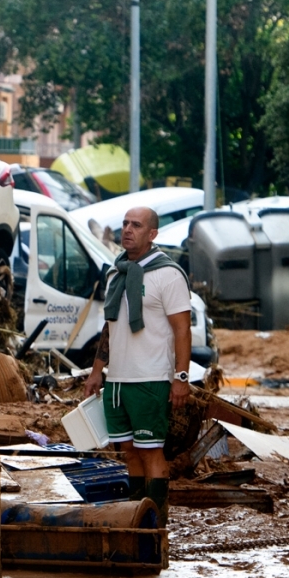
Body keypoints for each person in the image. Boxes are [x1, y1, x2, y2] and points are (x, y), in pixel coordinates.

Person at [83, 207, 192, 526]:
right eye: (125, 224)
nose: (127, 230)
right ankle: (136, 520)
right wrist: (96, 371)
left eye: (136, 225)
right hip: (117, 381)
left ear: (153, 234)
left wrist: (181, 378)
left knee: (151, 451)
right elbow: (110, 325)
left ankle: (156, 526)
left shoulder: (168, 274)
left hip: (151, 379)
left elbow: (182, 330)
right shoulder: (115, 273)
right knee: (129, 451)